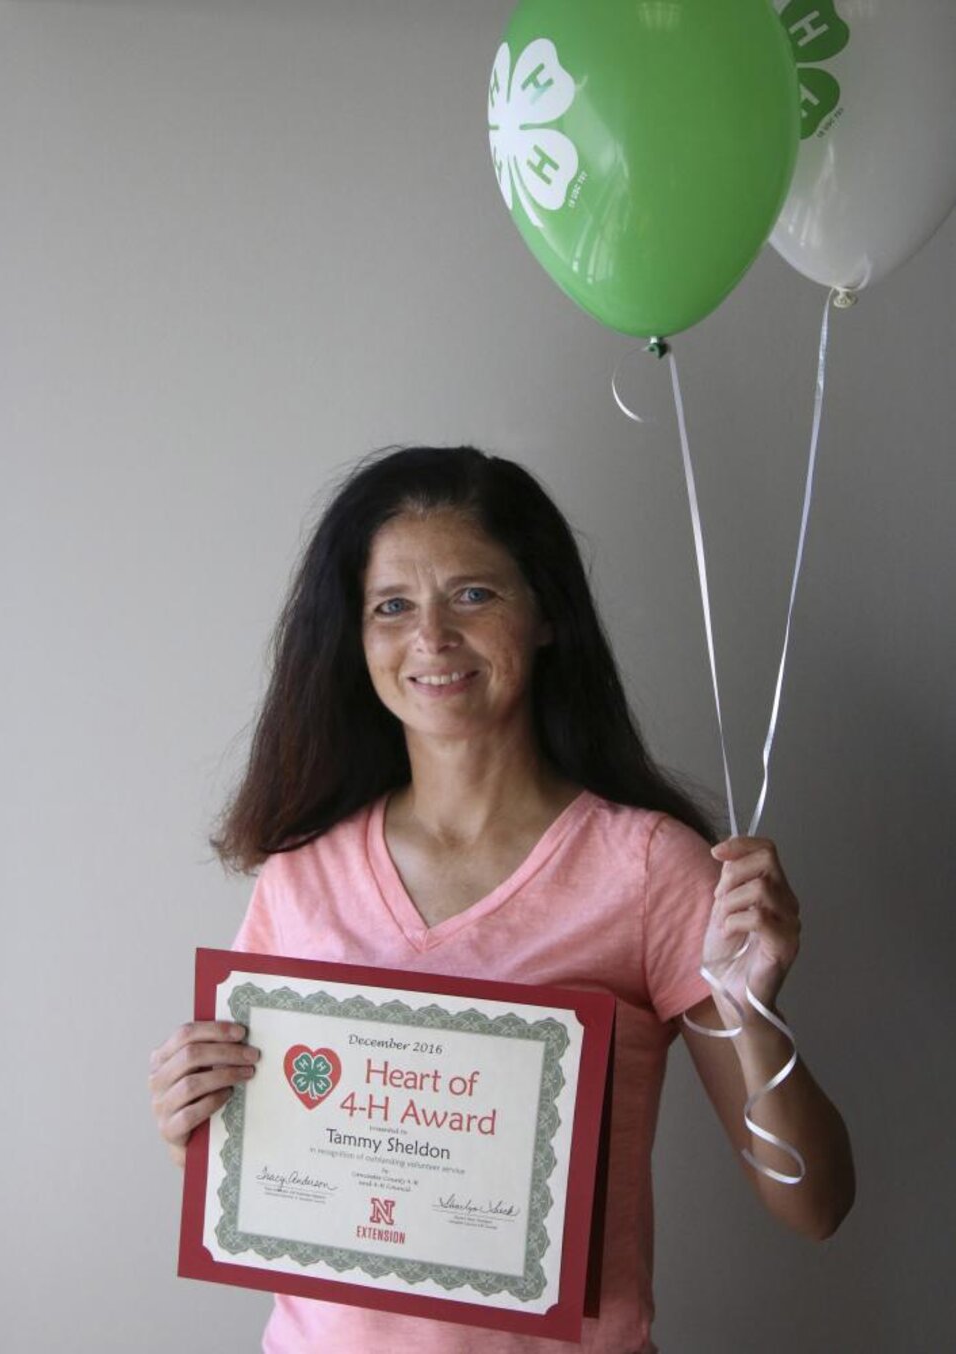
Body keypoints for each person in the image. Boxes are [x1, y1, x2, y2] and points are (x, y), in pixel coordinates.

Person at [149, 445, 854, 1353]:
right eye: (391, 607)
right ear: (354, 637)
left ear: (547, 614)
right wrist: (195, 1125)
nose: (431, 638)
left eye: (473, 595)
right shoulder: (301, 873)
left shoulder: (650, 869)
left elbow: (815, 1206)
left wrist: (755, 1007)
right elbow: (265, 1172)